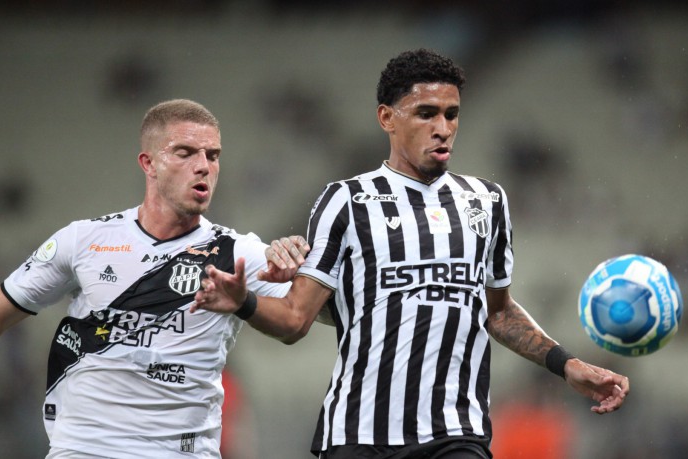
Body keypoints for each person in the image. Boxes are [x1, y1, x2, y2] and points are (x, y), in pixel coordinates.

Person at [193, 49, 630, 459]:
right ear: (387, 118)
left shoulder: (487, 201)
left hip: (457, 433)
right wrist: (244, 303)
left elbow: (497, 312)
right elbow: (294, 321)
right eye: (426, 113)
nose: (443, 127)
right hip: (360, 434)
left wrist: (566, 364)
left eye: (452, 114)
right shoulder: (346, 202)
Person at [0, 99, 307, 458]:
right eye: (185, 153)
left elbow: (295, 321)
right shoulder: (83, 241)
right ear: (149, 163)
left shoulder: (239, 253)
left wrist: (249, 299)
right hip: (84, 449)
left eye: (212, 155)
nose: (203, 167)